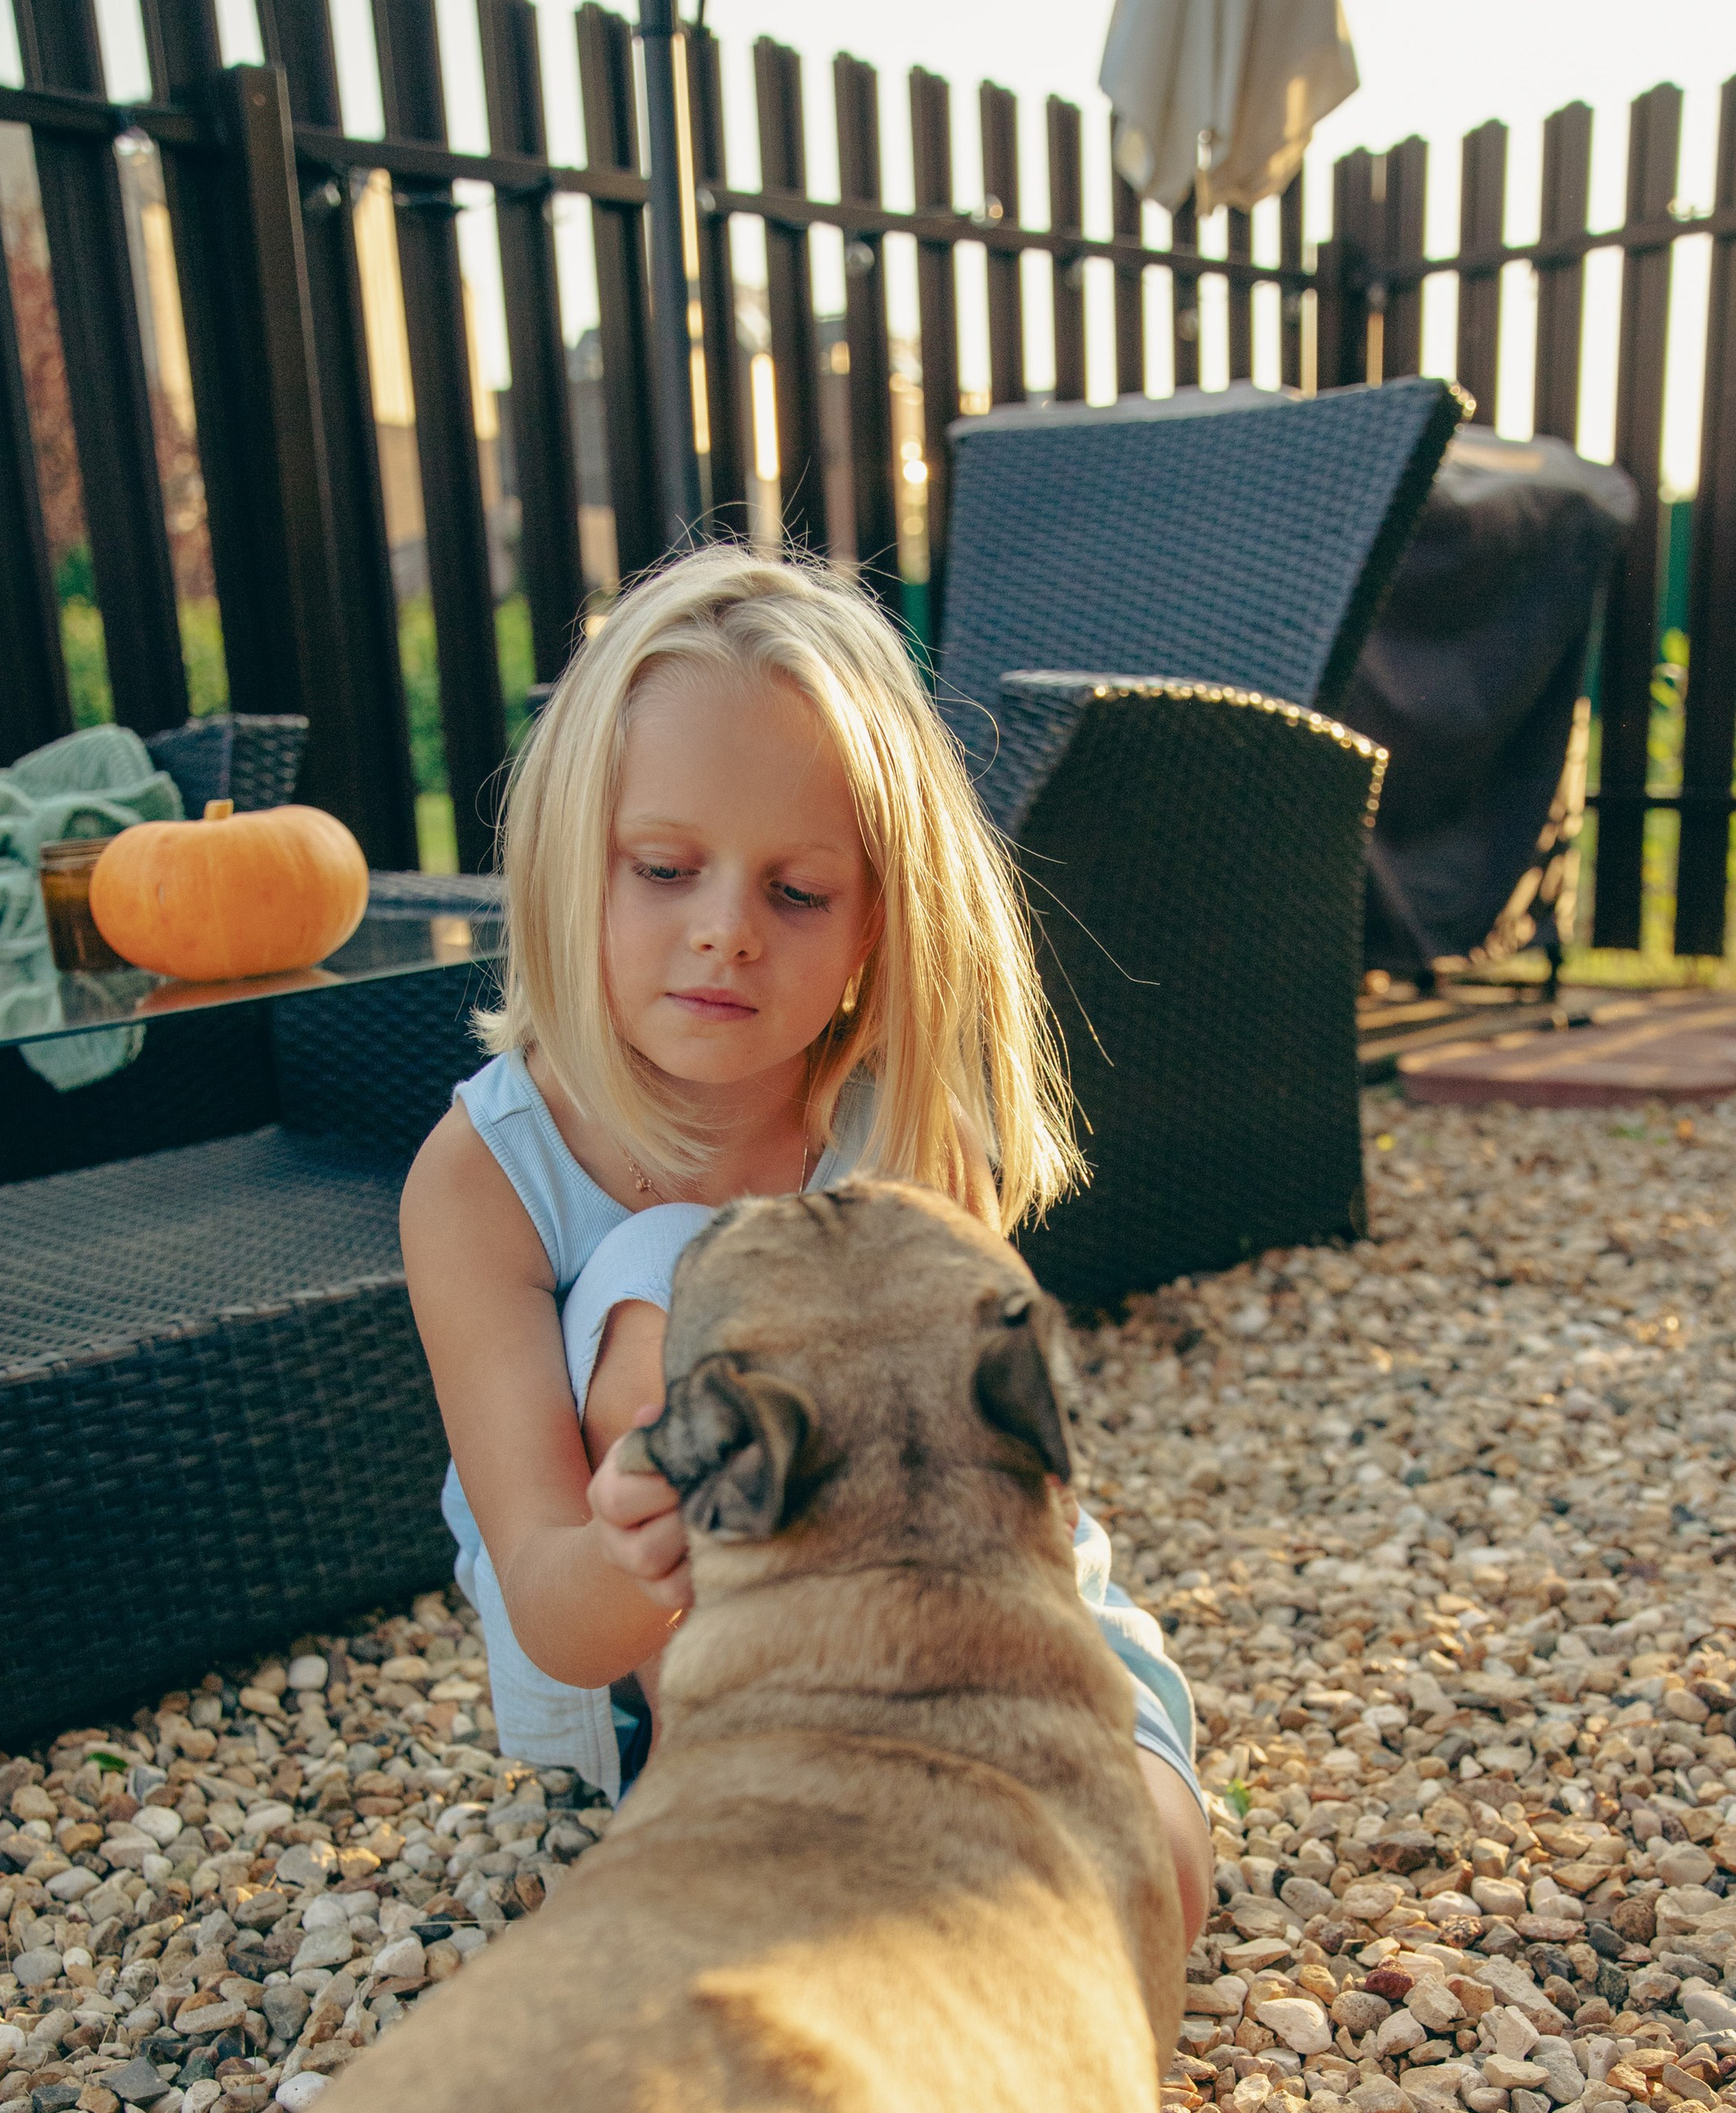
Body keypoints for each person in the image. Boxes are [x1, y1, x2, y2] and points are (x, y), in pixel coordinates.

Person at [400, 547, 1211, 1943]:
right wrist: (636, 1543)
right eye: (665, 869)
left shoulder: (905, 1136)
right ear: (567, 863)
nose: (725, 932)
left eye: (798, 894)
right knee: (665, 1270)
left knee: (1148, 1879)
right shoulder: (484, 1183)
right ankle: (770, 1809)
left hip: (971, 1608)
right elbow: (550, 1607)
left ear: (877, 921)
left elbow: (997, 1500)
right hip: (685, 1661)